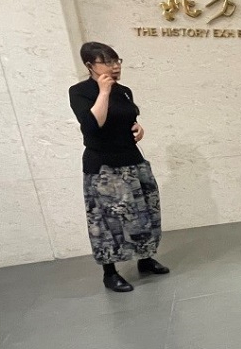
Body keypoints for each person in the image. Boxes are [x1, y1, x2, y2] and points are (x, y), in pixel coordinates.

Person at [68, 41, 168, 293]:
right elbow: (92, 126)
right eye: (107, 62)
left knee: (145, 212)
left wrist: (138, 128)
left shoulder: (124, 91)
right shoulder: (80, 91)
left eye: (116, 61)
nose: (114, 66)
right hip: (103, 167)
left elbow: (128, 118)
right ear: (89, 65)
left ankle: (145, 259)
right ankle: (110, 273)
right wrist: (103, 92)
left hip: (132, 160)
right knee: (106, 222)